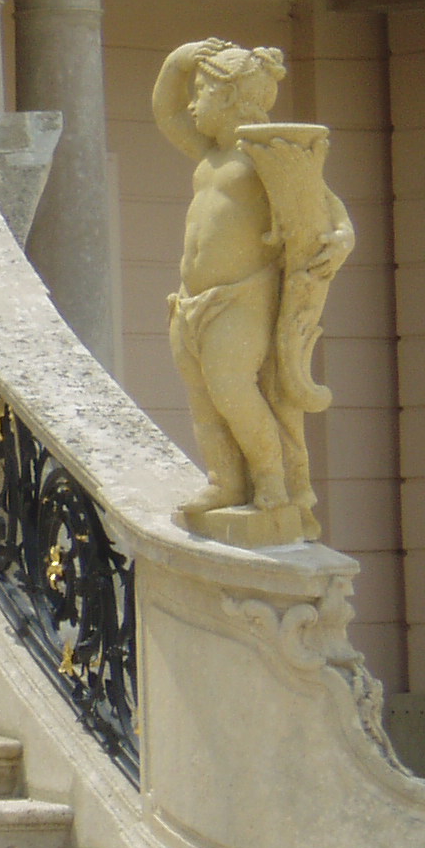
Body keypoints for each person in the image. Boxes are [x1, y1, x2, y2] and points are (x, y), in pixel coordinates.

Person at [154, 38, 351, 542]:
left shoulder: (264, 153)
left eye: (202, 92)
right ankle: (224, 480)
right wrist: (180, 61)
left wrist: (344, 237)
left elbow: (322, 202)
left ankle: (270, 480)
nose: (192, 104)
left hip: (241, 298)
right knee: (203, 400)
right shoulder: (209, 154)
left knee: (233, 389)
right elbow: (166, 114)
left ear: (232, 98)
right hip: (190, 300)